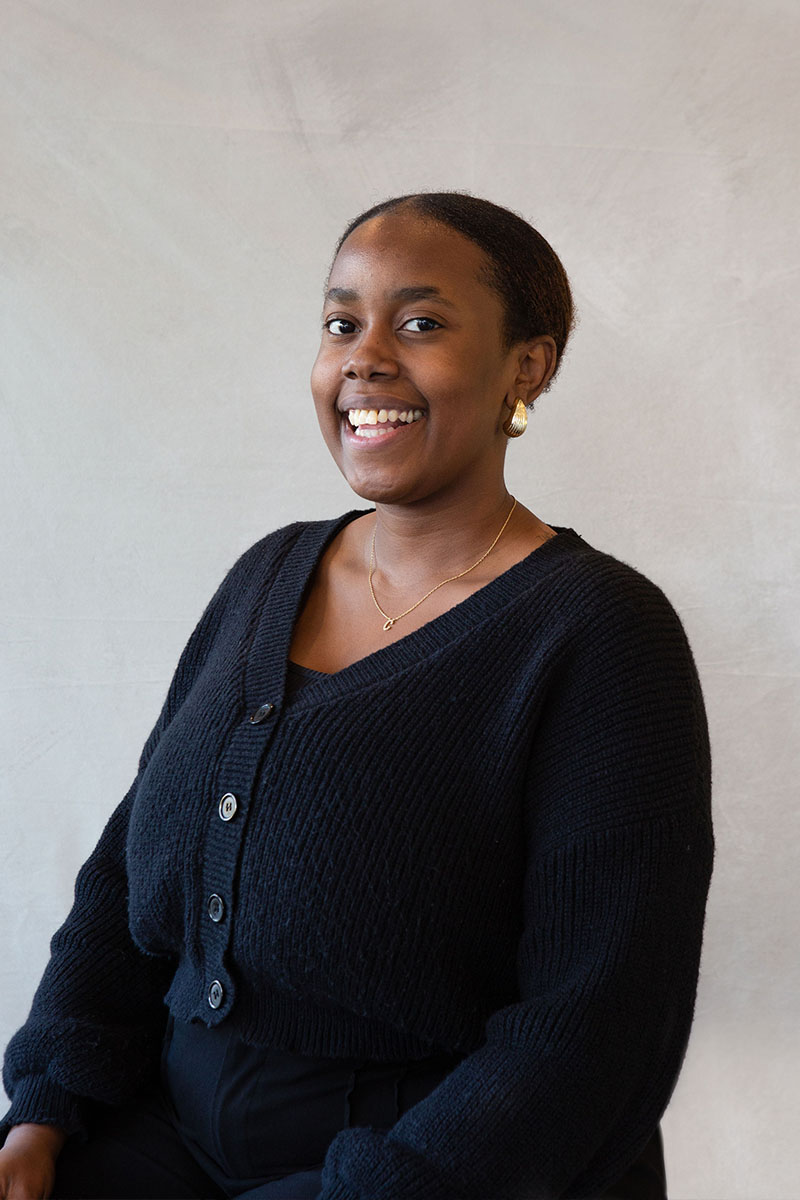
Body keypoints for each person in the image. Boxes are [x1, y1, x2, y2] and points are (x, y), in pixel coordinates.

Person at [0, 192, 714, 1200]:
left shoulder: (595, 633)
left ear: (528, 364)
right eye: (342, 324)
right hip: (169, 1132)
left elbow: (596, 1029)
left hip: (428, 1166)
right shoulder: (267, 575)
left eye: (418, 324)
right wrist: (44, 1105)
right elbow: (125, 880)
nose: (364, 358)